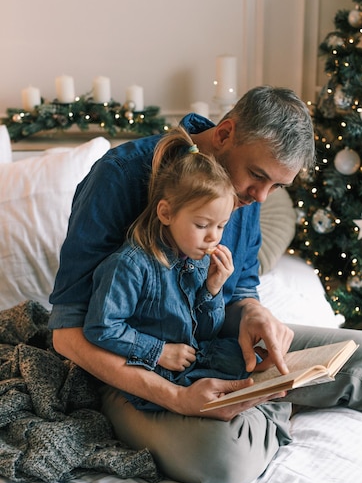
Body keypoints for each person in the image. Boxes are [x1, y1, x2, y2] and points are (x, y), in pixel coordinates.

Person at [50, 86, 362, 483]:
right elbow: (67, 333)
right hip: (131, 366)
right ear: (224, 134)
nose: (260, 196)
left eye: (278, 186)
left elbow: (241, 287)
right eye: (258, 176)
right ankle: (272, 401)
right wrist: (176, 398)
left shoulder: (246, 195)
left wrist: (253, 313)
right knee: (223, 460)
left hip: (209, 344)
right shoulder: (120, 175)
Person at [83, 126, 278, 411]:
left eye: (221, 226)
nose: (213, 237)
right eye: (202, 225)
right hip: (153, 371)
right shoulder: (129, 266)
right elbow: (102, 328)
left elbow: (204, 334)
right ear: (166, 213)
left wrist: (212, 290)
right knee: (243, 395)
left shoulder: (196, 260)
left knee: (255, 367)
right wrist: (158, 351)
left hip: (189, 360)